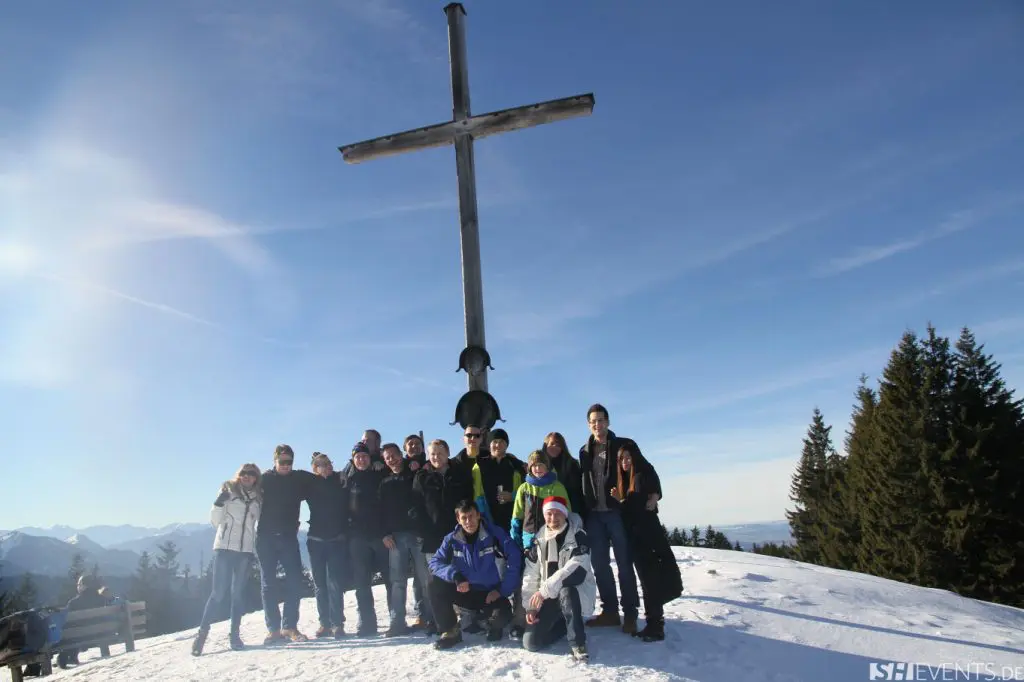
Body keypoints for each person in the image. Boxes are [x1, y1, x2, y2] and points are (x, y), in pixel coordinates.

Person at [611, 441, 682, 642]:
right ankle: (654, 622)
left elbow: (635, 510)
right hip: (643, 537)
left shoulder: (640, 478)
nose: (625, 462)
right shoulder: (630, 479)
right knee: (648, 580)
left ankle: (655, 625)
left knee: (649, 580)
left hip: (646, 538)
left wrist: (620, 502)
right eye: (621, 459)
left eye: (628, 458)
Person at [578, 403, 640, 633]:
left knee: (624, 563)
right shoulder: (584, 451)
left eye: (601, 420)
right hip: (595, 515)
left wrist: (653, 494)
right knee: (600, 565)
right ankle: (611, 611)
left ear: (608, 422)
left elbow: (642, 470)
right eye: (593, 421)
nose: (597, 424)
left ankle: (631, 613)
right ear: (588, 424)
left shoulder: (623, 445)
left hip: (616, 513)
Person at [427, 500, 520, 650]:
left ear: (478, 515)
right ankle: (451, 631)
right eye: (464, 518)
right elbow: (434, 563)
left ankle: (490, 624)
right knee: (434, 583)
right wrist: (455, 576)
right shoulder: (451, 539)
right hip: (465, 590)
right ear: (458, 519)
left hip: (491, 593)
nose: (468, 521)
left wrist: (502, 590)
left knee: (500, 618)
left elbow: (515, 560)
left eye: (471, 516)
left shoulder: (495, 534)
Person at [191, 463, 262, 656]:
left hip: (245, 551)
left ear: (256, 477)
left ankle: (235, 635)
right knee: (218, 594)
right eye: (244, 473)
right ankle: (202, 635)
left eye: (251, 474)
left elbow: (259, 523)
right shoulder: (228, 492)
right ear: (239, 475)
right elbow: (215, 521)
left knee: (238, 594)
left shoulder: (258, 498)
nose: (247, 476)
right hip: (224, 549)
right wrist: (218, 503)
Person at [521, 496, 596, 662]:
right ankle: (564, 625)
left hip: (573, 594)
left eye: (557, 514)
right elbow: (530, 574)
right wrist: (531, 606)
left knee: (566, 590)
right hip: (547, 595)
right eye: (549, 514)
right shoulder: (539, 539)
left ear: (565, 514)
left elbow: (575, 570)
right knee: (531, 643)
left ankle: (578, 643)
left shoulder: (579, 536)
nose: (553, 518)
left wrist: (543, 591)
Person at [411, 438, 474, 635]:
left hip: (458, 535)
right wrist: (422, 530)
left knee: (462, 574)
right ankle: (445, 623)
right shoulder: (422, 477)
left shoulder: (460, 474)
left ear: (447, 453)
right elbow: (416, 507)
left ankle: (468, 619)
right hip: (433, 538)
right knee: (436, 580)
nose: (436, 457)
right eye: (433, 454)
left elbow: (468, 501)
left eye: (440, 453)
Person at [508, 450, 571, 638]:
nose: (537, 469)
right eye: (534, 465)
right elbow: (517, 516)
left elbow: (567, 513)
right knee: (525, 580)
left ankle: (556, 617)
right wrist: (516, 539)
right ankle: (520, 620)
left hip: (551, 539)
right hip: (528, 540)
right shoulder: (524, 488)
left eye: (541, 465)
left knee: (549, 577)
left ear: (547, 466)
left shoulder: (556, 486)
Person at [256, 444, 314, 644]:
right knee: (268, 583)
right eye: (282, 461)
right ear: (274, 460)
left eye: (289, 462)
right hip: (265, 538)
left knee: (295, 580)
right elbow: (243, 485)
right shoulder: (264, 479)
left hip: (288, 537)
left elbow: (322, 475)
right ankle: (273, 630)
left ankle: (289, 627)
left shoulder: (298, 479)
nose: (286, 465)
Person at [379, 442, 433, 636]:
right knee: (397, 581)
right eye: (387, 457)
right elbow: (380, 512)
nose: (391, 459)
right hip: (395, 537)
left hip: (417, 533)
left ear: (401, 455)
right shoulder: (384, 483)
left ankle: (430, 618)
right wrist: (384, 534)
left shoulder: (414, 475)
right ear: (384, 461)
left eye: (394, 455)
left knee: (425, 578)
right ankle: (397, 622)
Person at [342, 442, 388, 636]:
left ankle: (396, 617)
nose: (361, 459)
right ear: (353, 460)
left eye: (364, 456)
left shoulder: (380, 476)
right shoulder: (347, 480)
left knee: (390, 578)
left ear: (370, 458)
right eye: (357, 457)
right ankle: (366, 621)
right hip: (357, 537)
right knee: (362, 582)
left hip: (381, 536)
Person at [305, 452, 349, 639]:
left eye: (329, 463)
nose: (327, 466)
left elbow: (351, 467)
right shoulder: (309, 484)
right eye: (322, 464)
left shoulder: (339, 480)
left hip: (335, 540)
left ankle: (337, 624)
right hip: (315, 540)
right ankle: (325, 623)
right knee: (320, 584)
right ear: (315, 468)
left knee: (334, 583)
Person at [473, 429, 526, 533]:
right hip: (488, 519)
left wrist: (513, 496)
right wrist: (482, 515)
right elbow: (476, 493)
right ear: (489, 444)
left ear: (506, 445)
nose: (498, 445)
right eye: (495, 442)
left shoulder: (516, 465)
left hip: (513, 518)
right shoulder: (479, 465)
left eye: (502, 442)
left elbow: (525, 490)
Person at [542, 432, 584, 515]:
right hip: (546, 512)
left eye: (558, 445)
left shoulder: (571, 464)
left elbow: (576, 492)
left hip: (568, 511)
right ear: (545, 446)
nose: (554, 447)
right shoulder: (539, 466)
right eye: (552, 444)